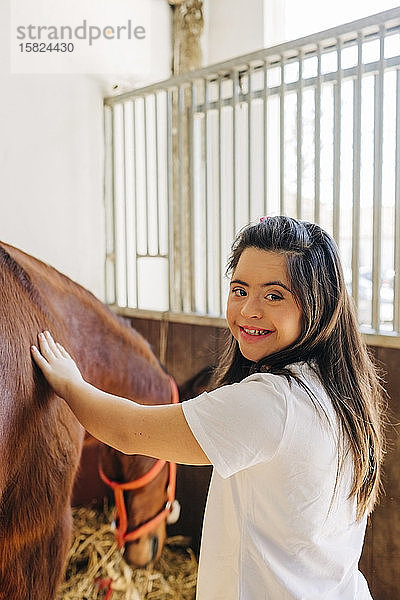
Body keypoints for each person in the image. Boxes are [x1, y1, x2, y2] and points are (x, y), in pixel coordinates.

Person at [31, 216, 386, 600]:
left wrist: (70, 383)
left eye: (274, 295)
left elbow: (129, 431)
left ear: (317, 306)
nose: (248, 310)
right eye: (239, 289)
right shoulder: (340, 391)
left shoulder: (272, 403)